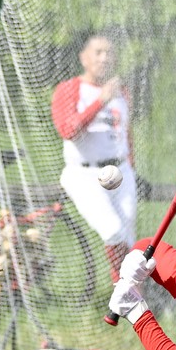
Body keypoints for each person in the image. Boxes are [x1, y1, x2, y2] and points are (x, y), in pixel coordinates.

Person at [51, 32, 137, 277]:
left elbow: (125, 132)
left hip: (121, 171)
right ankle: (121, 288)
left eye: (109, 52)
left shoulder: (121, 91)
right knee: (113, 232)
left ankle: (126, 296)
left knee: (129, 240)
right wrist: (100, 101)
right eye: (97, 52)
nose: (104, 58)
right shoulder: (70, 89)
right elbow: (68, 130)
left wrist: (132, 166)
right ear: (84, 58)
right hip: (85, 173)